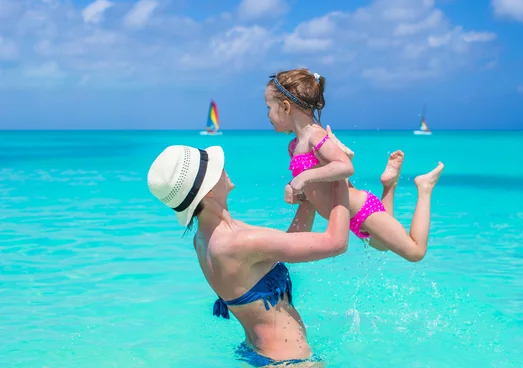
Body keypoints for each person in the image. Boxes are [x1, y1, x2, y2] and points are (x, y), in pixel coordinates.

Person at [147, 144, 350, 366]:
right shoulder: (238, 241)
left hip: (258, 352)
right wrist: (339, 178)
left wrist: (307, 200)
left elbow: (287, 246)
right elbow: (336, 243)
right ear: (209, 191)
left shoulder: (205, 239)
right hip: (289, 361)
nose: (224, 168)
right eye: (218, 168)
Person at [265, 68, 444, 262]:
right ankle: (389, 184)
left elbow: (345, 167)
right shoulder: (294, 146)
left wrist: (303, 178)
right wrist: (295, 189)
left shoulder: (316, 136)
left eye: (269, 108)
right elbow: (317, 178)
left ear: (285, 107)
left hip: (362, 209)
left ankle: (424, 188)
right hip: (349, 219)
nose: (267, 115)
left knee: (415, 252)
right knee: (381, 247)